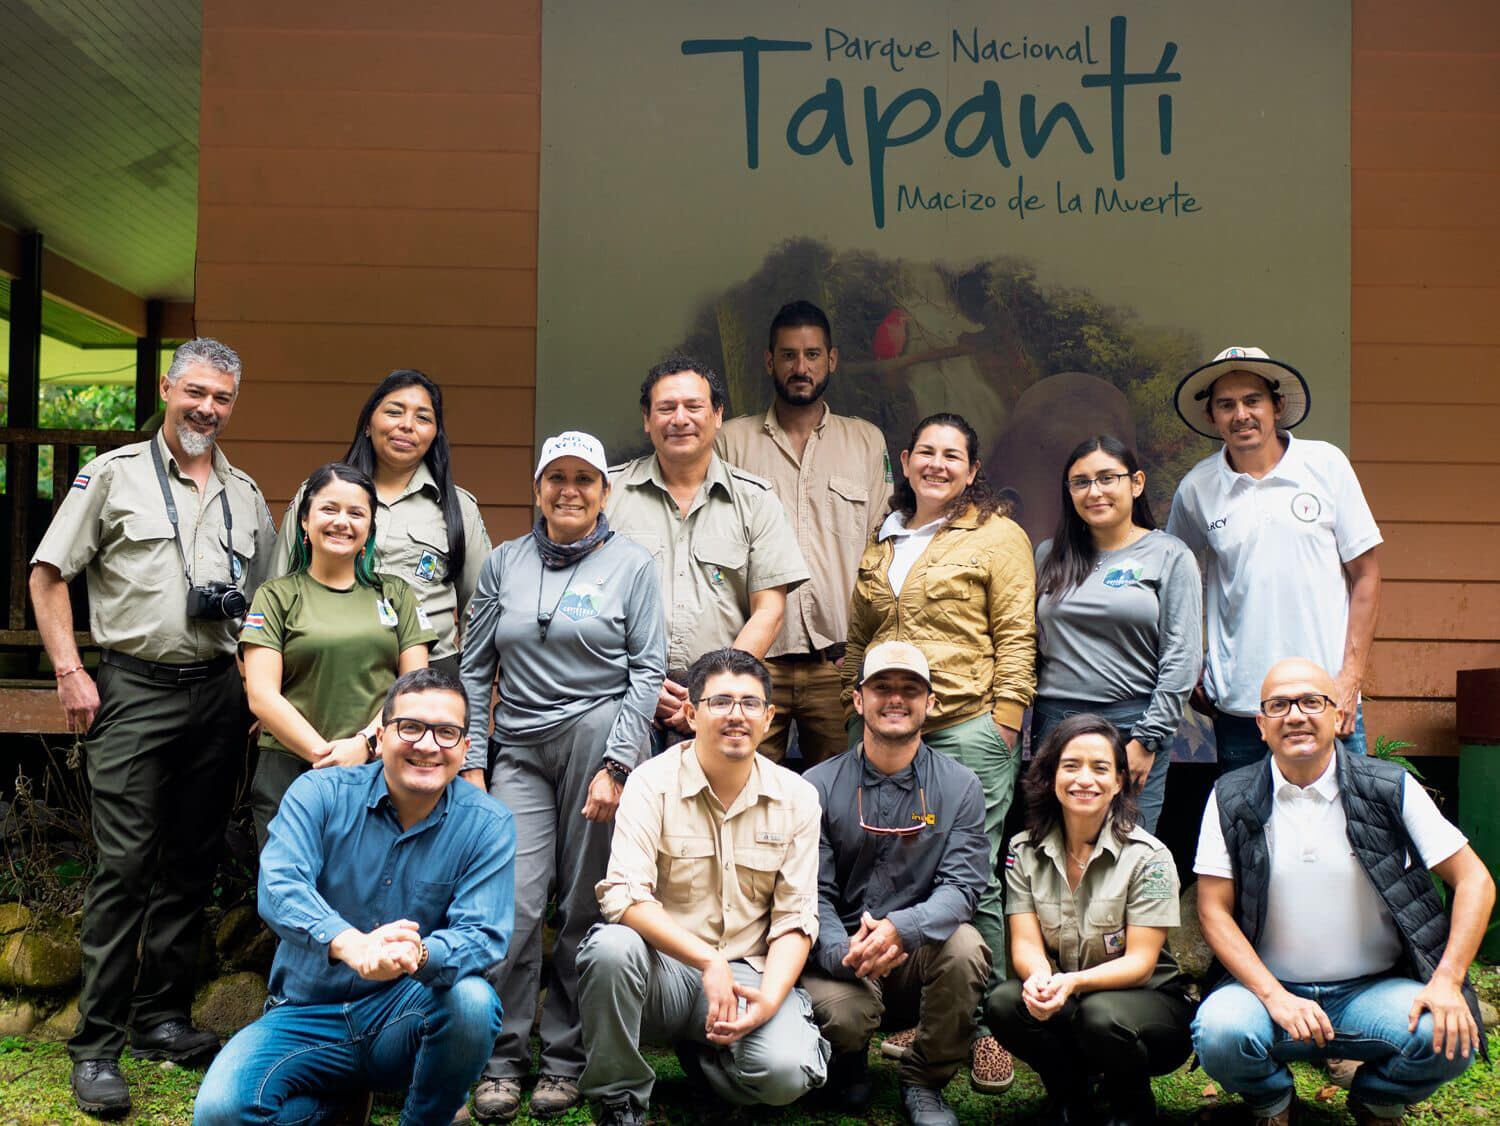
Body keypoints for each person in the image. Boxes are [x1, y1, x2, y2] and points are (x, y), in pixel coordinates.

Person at [28, 338, 278, 1117]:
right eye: (196, 391)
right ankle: (96, 1046)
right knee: (126, 866)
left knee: (192, 861)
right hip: (132, 689)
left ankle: (160, 1021)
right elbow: (47, 575)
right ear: (168, 388)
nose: (208, 408)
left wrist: (254, 688)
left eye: (224, 397)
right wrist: (71, 669)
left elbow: (265, 607)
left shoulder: (246, 495)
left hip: (218, 693)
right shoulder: (112, 476)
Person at [193, 668, 516, 1126]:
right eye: (411, 728)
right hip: (304, 1015)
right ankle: (340, 1109)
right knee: (221, 1113)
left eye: (447, 732)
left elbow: (482, 933)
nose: (427, 745)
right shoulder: (318, 793)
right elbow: (280, 885)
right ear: (380, 737)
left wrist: (418, 953)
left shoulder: (487, 824)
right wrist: (351, 944)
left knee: (471, 1002)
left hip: (403, 1015)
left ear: (465, 748)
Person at [459, 431, 666, 1122]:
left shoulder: (633, 565)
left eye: (585, 478)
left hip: (595, 742)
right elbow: (473, 667)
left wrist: (617, 763)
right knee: (512, 905)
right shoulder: (504, 563)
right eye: (556, 477)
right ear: (538, 487)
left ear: (605, 491)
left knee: (583, 907)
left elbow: (647, 671)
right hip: (516, 745)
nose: (570, 490)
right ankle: (499, 1061)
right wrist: (473, 759)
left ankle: (566, 1060)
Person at [1192, 658, 1494, 1126]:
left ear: (1338, 716)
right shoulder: (1230, 796)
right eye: (1279, 705)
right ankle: (1274, 1103)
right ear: (1261, 725)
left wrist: (1448, 981)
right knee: (1220, 1033)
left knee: (1450, 1035)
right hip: (1269, 995)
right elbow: (1213, 910)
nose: (1295, 715)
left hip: (1373, 990)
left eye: (1311, 701)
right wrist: (1274, 996)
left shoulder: (1390, 787)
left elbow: (1474, 878)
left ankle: (1376, 1102)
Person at [843, 410, 1036, 1095]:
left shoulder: (998, 536)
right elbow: (859, 636)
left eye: (953, 455)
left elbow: (1016, 634)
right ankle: (915, 1019)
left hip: (964, 724)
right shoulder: (884, 539)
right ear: (905, 460)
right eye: (927, 452)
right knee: (896, 867)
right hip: (884, 721)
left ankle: (982, 1032)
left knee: (973, 874)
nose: (938, 464)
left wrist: (1004, 725)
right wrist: (852, 703)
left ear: (973, 470)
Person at [576, 648, 829, 1125]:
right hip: (665, 972)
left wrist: (770, 1001)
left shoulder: (797, 797)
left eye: (751, 704)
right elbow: (624, 895)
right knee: (610, 949)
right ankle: (619, 1101)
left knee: (786, 1073)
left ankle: (710, 1064)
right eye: (721, 702)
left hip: (748, 975)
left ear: (769, 717)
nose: (737, 715)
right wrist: (707, 959)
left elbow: (796, 918)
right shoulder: (651, 782)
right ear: (691, 714)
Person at [800, 641, 991, 1126]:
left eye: (911, 689)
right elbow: (810, 892)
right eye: (881, 687)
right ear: (859, 700)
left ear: (930, 703)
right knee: (843, 1016)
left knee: (966, 945)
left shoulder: (960, 785)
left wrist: (902, 929)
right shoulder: (816, 786)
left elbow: (963, 885)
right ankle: (848, 1058)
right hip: (838, 956)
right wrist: (844, 953)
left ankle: (924, 1080)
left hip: (915, 953)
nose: (895, 699)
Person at [1166, 346, 1381, 773]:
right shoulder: (1197, 488)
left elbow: (1367, 575)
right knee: (1249, 830)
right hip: (1243, 703)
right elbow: (1173, 580)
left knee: (1348, 826)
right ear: (1212, 417)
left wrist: (1350, 679)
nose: (1240, 414)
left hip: (1327, 697)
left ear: (1277, 407)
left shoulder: (1325, 464)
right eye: (1226, 405)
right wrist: (1191, 667)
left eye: (1252, 401)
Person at [988, 714, 1195, 1126]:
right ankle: (1070, 1098)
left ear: (1119, 781)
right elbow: (1026, 942)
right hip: (1070, 998)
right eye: (1071, 766)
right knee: (1006, 1003)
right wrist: (1040, 981)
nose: (1085, 779)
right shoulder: (1023, 851)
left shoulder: (1149, 858)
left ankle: (1130, 1106)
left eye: (1100, 768)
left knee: (1100, 1015)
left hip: (1148, 1007)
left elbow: (1140, 963)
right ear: (1050, 777)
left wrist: (1073, 983)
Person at [716, 300, 892, 767]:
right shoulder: (730, 442)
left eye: (812, 355)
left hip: (836, 663)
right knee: (741, 789)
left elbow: (883, 551)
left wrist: (863, 651)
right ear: (769, 361)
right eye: (789, 355)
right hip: (753, 658)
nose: (801, 367)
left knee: (842, 798)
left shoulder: (866, 442)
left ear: (831, 360)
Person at [606, 355, 809, 746]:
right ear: (647, 419)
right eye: (666, 408)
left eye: (693, 406)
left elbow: (769, 610)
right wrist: (636, 686)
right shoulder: (610, 496)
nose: (679, 418)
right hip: (622, 699)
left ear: (717, 415)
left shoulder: (756, 501)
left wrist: (710, 693)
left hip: (720, 710)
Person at [243, 461, 435, 846]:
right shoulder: (276, 595)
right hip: (289, 768)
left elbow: (415, 692)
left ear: (369, 529)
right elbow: (262, 695)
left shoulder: (395, 594)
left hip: (379, 768)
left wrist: (363, 746)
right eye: (329, 509)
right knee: (289, 892)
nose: (341, 522)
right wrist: (329, 756)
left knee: (367, 892)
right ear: (305, 521)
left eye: (356, 513)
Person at [273, 369, 490, 679]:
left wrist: (467, 683)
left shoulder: (458, 508)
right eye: (394, 412)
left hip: (431, 671)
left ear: (434, 435)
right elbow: (279, 584)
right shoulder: (318, 495)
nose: (406, 425)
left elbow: (480, 603)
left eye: (423, 418)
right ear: (367, 424)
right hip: (328, 670)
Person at [1033, 435, 1202, 833]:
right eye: (1081, 482)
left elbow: (1182, 655)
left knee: (1129, 848)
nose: (1095, 491)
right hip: (1056, 725)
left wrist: (1148, 740)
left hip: (1134, 726)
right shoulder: (1048, 555)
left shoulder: (1169, 555)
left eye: (1108, 478)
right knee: (1056, 843)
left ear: (1136, 483)